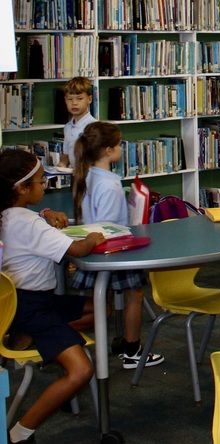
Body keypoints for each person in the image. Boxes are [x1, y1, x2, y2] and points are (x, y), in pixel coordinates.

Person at [0, 150, 104, 444]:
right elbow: (78, 250)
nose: (44, 185)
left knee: (99, 308)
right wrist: (92, 239)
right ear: (22, 188)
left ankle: (46, 341)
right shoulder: (28, 223)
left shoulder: (9, 214)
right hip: (33, 308)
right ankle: (21, 433)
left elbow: (30, 224)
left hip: (20, 303)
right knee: (81, 370)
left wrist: (45, 214)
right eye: (40, 181)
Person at [66, 122, 165, 369]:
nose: (122, 149)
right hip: (113, 251)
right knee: (135, 294)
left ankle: (117, 342)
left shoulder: (86, 175)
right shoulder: (109, 185)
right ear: (108, 151)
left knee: (105, 300)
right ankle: (132, 350)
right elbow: (107, 228)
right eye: (120, 144)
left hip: (97, 252)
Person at [57, 77, 97, 168]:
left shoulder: (93, 126)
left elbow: (97, 158)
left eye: (79, 98)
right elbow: (67, 154)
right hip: (75, 176)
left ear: (89, 99)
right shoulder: (67, 127)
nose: (74, 103)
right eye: (70, 99)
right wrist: (61, 165)